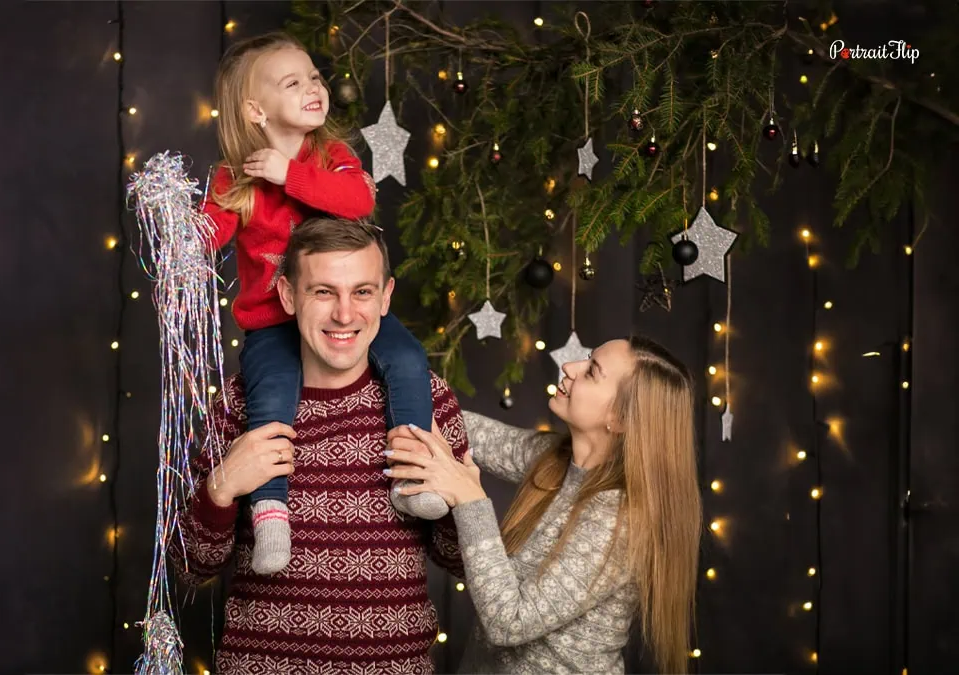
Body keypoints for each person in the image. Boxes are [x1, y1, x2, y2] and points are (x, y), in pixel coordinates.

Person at [170, 217, 468, 674]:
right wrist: (220, 490)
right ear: (289, 296)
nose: (345, 315)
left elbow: (458, 561)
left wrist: (460, 499)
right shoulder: (238, 402)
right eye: (323, 292)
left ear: (386, 296)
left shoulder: (429, 402)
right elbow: (190, 567)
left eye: (362, 292)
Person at [202, 31, 445, 576]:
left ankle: (411, 474)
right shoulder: (235, 174)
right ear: (255, 109)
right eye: (294, 82)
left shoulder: (330, 156)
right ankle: (270, 511)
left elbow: (356, 200)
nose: (314, 87)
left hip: (340, 320)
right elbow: (208, 235)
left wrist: (289, 175)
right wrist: (178, 227)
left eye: (314, 76)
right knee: (270, 401)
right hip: (270, 322)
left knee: (406, 361)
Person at [384, 336, 702, 674]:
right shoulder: (557, 459)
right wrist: (399, 380)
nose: (570, 366)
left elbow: (509, 622)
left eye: (592, 371)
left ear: (620, 418)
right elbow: (462, 428)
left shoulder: (619, 521)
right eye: (587, 358)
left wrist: (470, 499)